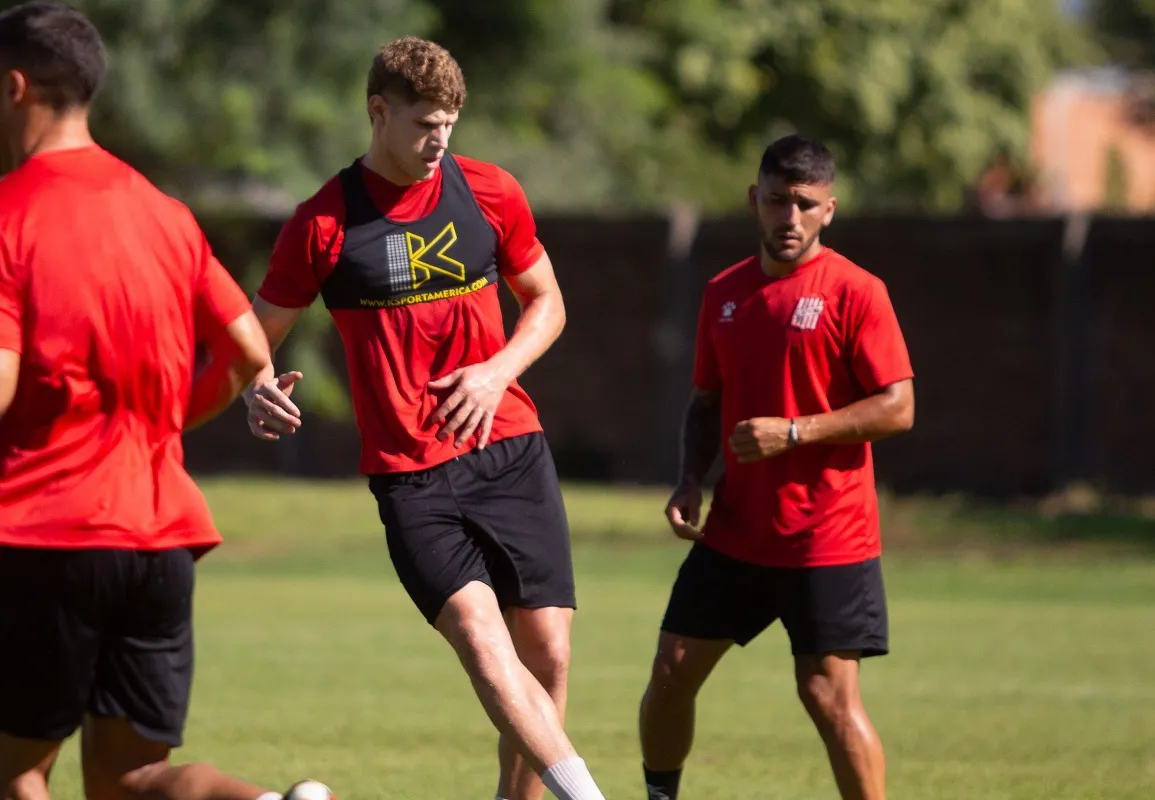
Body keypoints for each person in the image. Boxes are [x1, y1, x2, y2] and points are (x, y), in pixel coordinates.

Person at [242, 36, 605, 800]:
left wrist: (499, 369)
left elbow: (548, 301)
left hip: (509, 448)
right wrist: (255, 387)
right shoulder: (322, 223)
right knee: (481, 640)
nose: (440, 140)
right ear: (379, 111)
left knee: (549, 654)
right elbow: (251, 336)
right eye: (423, 123)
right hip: (412, 478)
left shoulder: (490, 192)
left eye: (450, 123)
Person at [0, 4, 331, 799]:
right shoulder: (165, 214)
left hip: (46, 534)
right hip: (158, 540)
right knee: (129, 782)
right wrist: (165, 421)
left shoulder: (10, 213)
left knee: (16, 774)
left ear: (14, 88)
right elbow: (249, 348)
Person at [638, 134, 916, 800]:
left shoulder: (858, 292)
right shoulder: (724, 294)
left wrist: (797, 431)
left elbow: (898, 407)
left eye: (804, 204)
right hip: (738, 531)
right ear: (752, 201)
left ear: (829, 209)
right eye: (774, 201)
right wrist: (688, 479)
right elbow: (706, 402)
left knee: (825, 694)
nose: (787, 218)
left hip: (828, 536)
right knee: (673, 672)